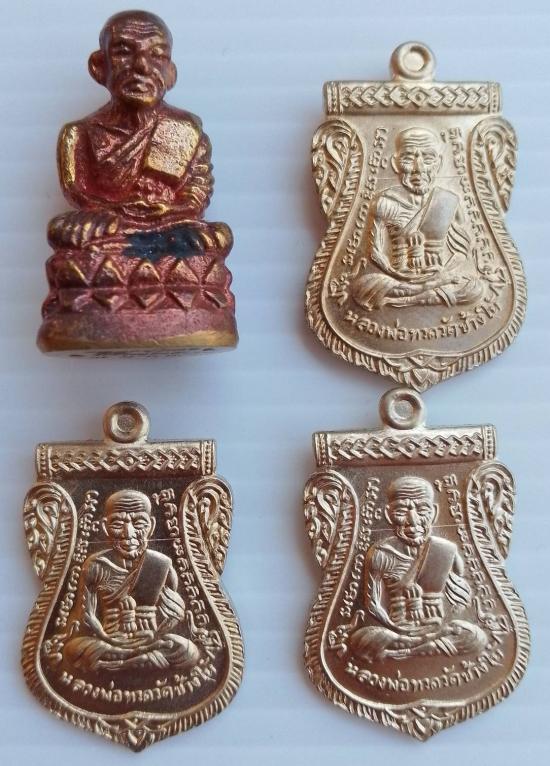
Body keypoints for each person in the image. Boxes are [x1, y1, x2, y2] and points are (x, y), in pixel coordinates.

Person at [48, 10, 230, 259]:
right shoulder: (79, 134)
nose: (142, 66)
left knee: (218, 235)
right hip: (109, 225)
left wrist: (171, 209)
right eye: (124, 52)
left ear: (170, 72)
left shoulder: (184, 129)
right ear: (99, 66)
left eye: (157, 55)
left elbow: (196, 194)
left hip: (171, 225)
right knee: (61, 231)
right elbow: (78, 193)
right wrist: (112, 211)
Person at [349, 476, 487, 661]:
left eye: (422, 510)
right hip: (397, 630)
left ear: (434, 513)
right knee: (360, 640)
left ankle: (409, 651)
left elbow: (461, 599)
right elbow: (372, 604)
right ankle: (419, 646)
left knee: (474, 637)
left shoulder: (445, 550)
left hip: (438, 628)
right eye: (401, 511)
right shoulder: (381, 553)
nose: (412, 521)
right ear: (389, 515)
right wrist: (397, 628)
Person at [62, 489, 200, 672]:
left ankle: (120, 663)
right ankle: (137, 659)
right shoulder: (96, 565)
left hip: (150, 639)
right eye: (118, 523)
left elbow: (173, 615)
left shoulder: (161, 564)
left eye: (139, 523)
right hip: (109, 640)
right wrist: (107, 638)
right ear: (105, 527)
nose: (128, 533)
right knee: (73, 650)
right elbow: (86, 616)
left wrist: (154, 637)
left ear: (151, 526)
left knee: (188, 652)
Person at [350, 127, 483, 310]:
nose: (418, 169)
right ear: (395, 164)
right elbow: (375, 252)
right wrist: (399, 275)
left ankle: (409, 298)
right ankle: (421, 292)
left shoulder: (448, 201)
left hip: (439, 275)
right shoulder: (385, 202)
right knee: (362, 287)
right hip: (399, 277)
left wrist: (442, 274)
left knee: (475, 287)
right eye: (408, 159)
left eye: (428, 159)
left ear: (439, 163)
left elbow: (461, 252)